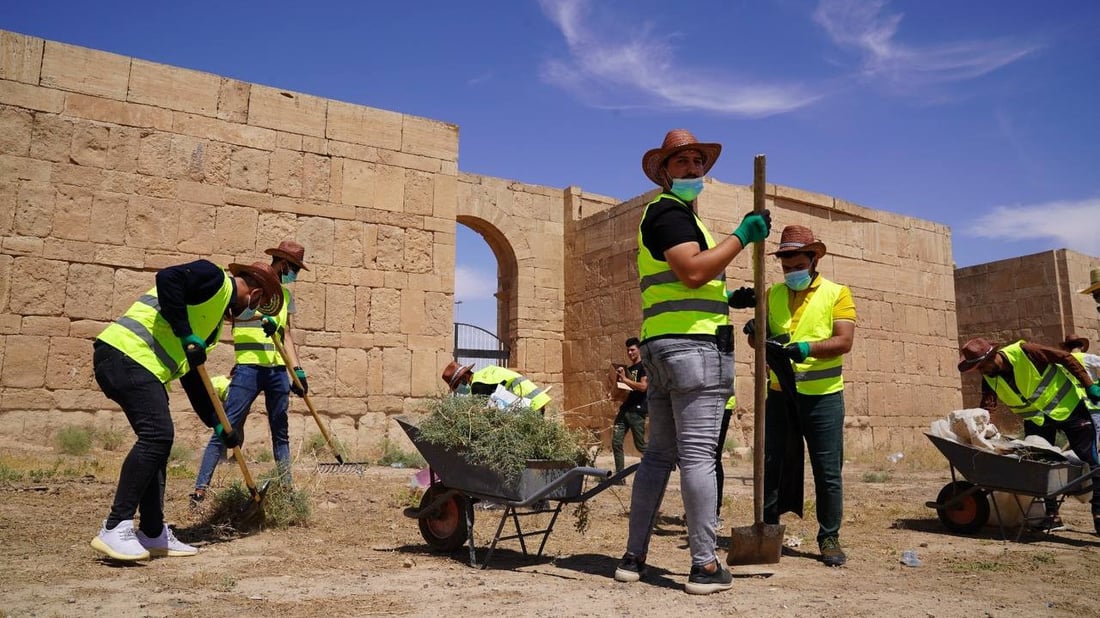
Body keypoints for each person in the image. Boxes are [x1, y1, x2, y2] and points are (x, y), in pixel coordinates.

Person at [613, 128, 771, 595]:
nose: (693, 168)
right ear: (664, 172)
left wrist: (728, 295)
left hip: (665, 349)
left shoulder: (678, 217)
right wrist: (742, 234)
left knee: (658, 456)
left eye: (698, 161)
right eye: (681, 162)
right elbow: (695, 268)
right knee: (699, 456)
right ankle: (703, 566)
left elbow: (691, 282)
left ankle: (632, 558)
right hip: (693, 351)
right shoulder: (668, 212)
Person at [91, 259, 283, 560]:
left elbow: (194, 377)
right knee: (157, 435)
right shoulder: (213, 278)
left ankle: (153, 532)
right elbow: (167, 277)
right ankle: (115, 527)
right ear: (255, 295)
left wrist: (217, 424)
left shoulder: (211, 326)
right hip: (125, 354)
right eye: (257, 304)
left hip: (143, 367)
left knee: (159, 444)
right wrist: (183, 331)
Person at [747, 225, 856, 567]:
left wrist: (807, 348)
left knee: (826, 470)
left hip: (822, 396)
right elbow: (761, 341)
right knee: (772, 464)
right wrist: (754, 335)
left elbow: (844, 341)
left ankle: (828, 536)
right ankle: (768, 530)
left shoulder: (838, 293)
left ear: (813, 259)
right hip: (780, 395)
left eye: (797, 265)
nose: (791, 272)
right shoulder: (772, 295)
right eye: (786, 266)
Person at [191, 241, 310, 504]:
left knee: (281, 432)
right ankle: (200, 490)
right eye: (293, 269)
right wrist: (257, 317)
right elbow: (229, 315)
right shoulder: (250, 286)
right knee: (226, 427)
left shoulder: (287, 298)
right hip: (248, 368)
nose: (295, 275)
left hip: (278, 370)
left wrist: (298, 371)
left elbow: (286, 334)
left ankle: (286, 490)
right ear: (281, 265)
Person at [959, 337, 1100, 533]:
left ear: (991, 357)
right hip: (1037, 420)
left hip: (1070, 410)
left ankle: (1098, 515)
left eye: (981, 367)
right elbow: (988, 406)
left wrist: (1088, 384)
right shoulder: (990, 378)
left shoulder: (1027, 351)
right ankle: (1052, 516)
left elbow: (1065, 357)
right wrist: (981, 428)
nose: (982, 372)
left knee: (1092, 462)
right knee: (1041, 465)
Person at [441, 361, 551, 411]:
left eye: (457, 385)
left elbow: (486, 411)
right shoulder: (484, 375)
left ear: (464, 377)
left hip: (529, 403)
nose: (458, 390)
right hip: (536, 399)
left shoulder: (478, 385)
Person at [611, 337, 648, 481]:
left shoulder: (644, 366)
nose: (630, 352)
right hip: (625, 410)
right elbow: (626, 392)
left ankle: (661, 462)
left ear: (639, 350)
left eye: (632, 349)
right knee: (616, 442)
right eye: (628, 350)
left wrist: (625, 380)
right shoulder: (629, 370)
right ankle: (620, 477)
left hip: (637, 411)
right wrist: (613, 394)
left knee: (640, 446)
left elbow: (643, 387)